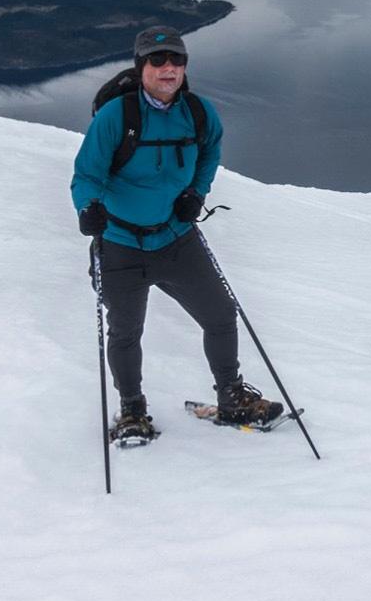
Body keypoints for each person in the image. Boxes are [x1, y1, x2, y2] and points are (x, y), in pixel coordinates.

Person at [72, 25, 282, 442]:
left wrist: (196, 193)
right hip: (120, 244)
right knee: (126, 332)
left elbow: (210, 152)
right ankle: (133, 410)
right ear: (142, 66)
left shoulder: (199, 114)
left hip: (175, 240)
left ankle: (230, 396)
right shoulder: (119, 116)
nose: (168, 68)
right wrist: (88, 208)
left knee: (221, 315)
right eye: (158, 59)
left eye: (177, 60)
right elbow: (86, 173)